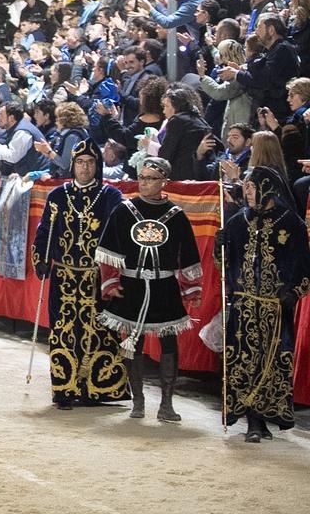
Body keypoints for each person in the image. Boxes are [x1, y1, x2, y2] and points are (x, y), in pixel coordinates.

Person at [96, 156, 202, 422]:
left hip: (164, 286)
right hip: (132, 285)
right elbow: (109, 249)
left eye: (151, 178)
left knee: (169, 343)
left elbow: (187, 254)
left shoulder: (176, 216)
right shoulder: (124, 210)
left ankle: (166, 403)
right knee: (134, 343)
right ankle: (138, 401)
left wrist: (191, 290)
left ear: (164, 181)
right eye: (141, 178)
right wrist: (111, 283)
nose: (144, 183)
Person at [30, 140, 128, 409]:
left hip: (95, 277)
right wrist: (41, 259)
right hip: (64, 277)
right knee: (63, 331)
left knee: (97, 331)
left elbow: (120, 231)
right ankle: (63, 388)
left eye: (91, 162)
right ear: (73, 165)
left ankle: (95, 389)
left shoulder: (110, 196)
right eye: (81, 162)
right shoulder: (58, 196)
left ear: (98, 166)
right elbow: (44, 232)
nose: (85, 167)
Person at [223, 166, 310, 442]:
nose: (246, 192)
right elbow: (225, 267)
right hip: (243, 307)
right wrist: (219, 248)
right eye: (246, 187)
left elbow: (304, 266)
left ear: (267, 188)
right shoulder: (238, 222)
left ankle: (264, 417)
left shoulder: (291, 223)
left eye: (251, 187)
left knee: (271, 361)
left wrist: (294, 293)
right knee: (244, 359)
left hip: (275, 306)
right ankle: (252, 421)